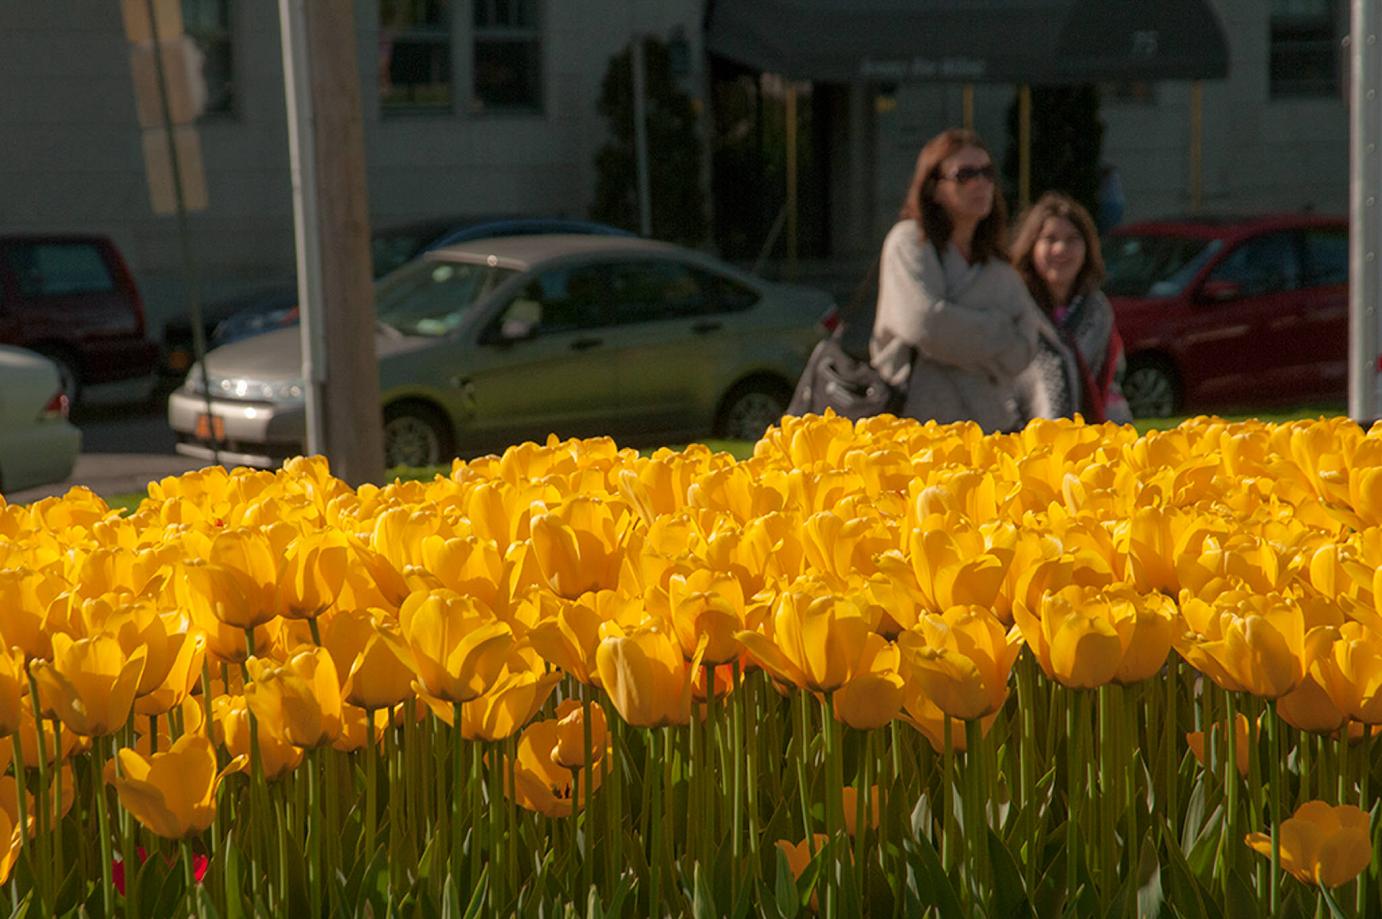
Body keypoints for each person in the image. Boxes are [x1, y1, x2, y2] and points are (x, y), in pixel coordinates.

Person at [870, 129, 1040, 433]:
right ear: (934, 188)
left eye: (988, 173)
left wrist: (955, 329)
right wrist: (998, 328)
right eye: (965, 174)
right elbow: (924, 324)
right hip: (919, 429)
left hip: (991, 428)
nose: (981, 183)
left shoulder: (999, 266)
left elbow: (1024, 348)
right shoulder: (908, 243)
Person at [1010, 191, 1133, 424]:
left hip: (1088, 445)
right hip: (1020, 444)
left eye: (1072, 239)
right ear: (1032, 245)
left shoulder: (1098, 312)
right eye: (1050, 239)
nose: (1060, 249)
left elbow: (1111, 385)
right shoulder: (1012, 307)